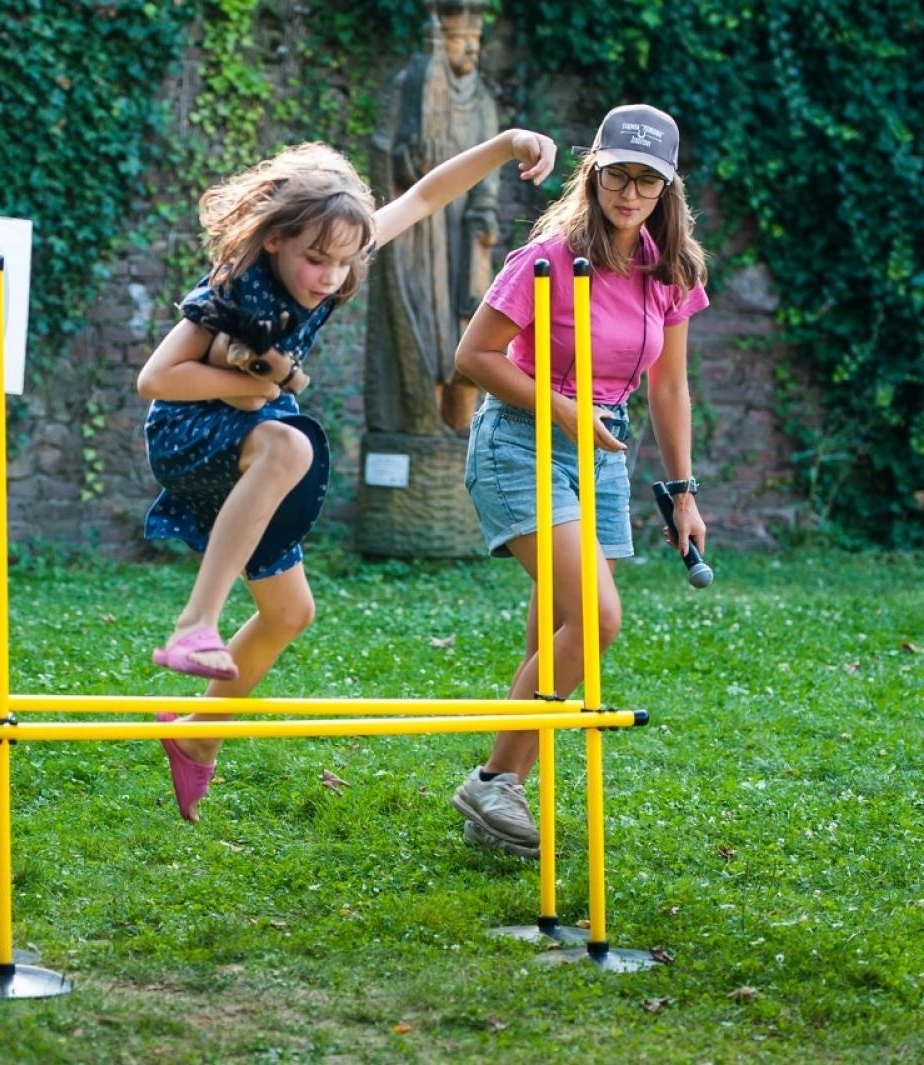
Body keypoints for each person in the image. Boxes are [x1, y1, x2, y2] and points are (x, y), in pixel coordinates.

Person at [138, 130, 558, 822]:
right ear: (275, 238)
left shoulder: (340, 253)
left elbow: (424, 197)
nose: (329, 276)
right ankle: (196, 622)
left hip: (254, 450)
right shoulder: (233, 289)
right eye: (314, 260)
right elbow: (156, 378)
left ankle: (196, 734)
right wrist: (257, 386)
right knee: (292, 446)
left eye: (341, 262)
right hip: (193, 435)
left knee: (290, 612)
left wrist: (504, 145)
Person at [449, 104, 709, 857]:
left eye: (647, 181)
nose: (630, 193)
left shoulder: (672, 267)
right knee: (596, 621)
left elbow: (669, 388)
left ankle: (498, 806)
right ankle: (492, 781)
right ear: (592, 173)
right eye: (617, 174)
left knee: (556, 632)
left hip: (601, 452)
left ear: (668, 189)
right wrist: (563, 410)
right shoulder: (550, 256)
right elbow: (476, 355)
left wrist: (683, 492)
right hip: (521, 440)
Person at [367, 0, 499, 436]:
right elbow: (384, 151)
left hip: (462, 234)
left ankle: (458, 427)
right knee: (424, 320)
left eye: (475, 42)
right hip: (419, 236)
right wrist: (407, 162)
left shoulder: (481, 100)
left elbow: (492, 167)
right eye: (462, 41)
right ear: (441, 40)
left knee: (464, 323)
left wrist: (484, 212)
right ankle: (417, 421)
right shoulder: (410, 86)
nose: (471, 51)